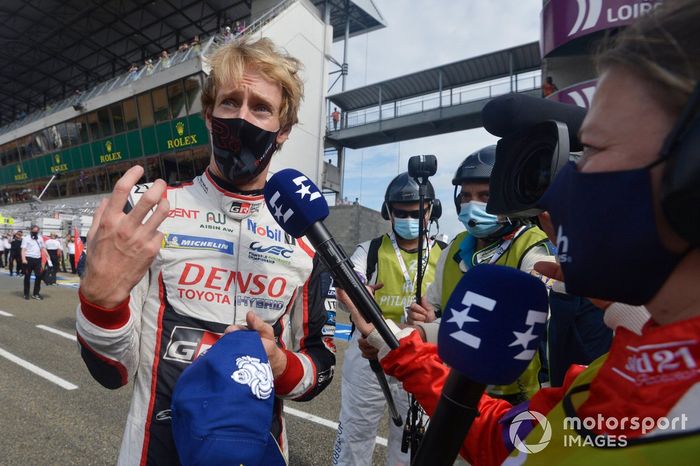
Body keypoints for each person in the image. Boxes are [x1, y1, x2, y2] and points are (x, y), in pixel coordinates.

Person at [349, 1, 700, 463]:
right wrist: (641, 317)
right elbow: (512, 441)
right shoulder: (629, 372)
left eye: (591, 149)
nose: (554, 198)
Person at [75, 38, 335, 465]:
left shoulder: (307, 233)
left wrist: (278, 362)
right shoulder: (149, 212)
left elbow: (320, 367)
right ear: (209, 116)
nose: (243, 117)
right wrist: (99, 303)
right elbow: (112, 372)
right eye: (230, 102)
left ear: (284, 131)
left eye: (261, 108)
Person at [408, 145, 553, 404]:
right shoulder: (455, 246)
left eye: (485, 196)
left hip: (512, 399)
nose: (471, 204)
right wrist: (428, 317)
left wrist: (426, 331)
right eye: (465, 196)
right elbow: (436, 307)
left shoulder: (535, 250)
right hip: (452, 386)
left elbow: (515, 328)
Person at [333, 173, 444, 466]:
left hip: (419, 355)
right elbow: (345, 287)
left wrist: (434, 319)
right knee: (354, 436)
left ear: (431, 210)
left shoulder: (445, 256)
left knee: (411, 442)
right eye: (400, 213)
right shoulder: (368, 250)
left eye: (416, 213)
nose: (408, 219)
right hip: (369, 356)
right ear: (388, 212)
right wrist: (360, 301)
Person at [21, 225, 50, 300]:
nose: (35, 232)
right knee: (27, 276)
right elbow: (23, 250)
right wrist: (24, 259)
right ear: (31, 230)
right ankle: (26, 294)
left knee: (39, 276)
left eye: (37, 231)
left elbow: (43, 247)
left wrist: (47, 255)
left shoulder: (40, 238)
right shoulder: (26, 238)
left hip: (38, 259)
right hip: (28, 259)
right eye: (34, 231)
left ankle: (36, 293)